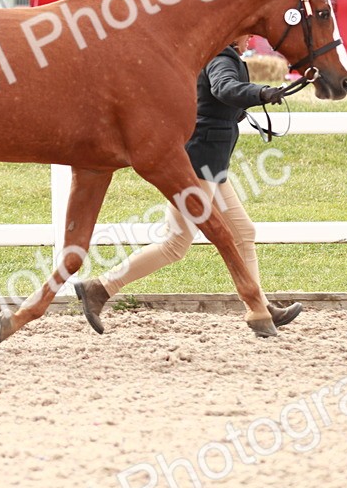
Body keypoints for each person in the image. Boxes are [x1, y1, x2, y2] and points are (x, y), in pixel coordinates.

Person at [74, 34, 302, 332]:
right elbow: (225, 88)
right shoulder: (221, 57)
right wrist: (261, 93)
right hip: (199, 163)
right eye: (247, 34)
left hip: (212, 163)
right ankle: (100, 288)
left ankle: (259, 308)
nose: (249, 40)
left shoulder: (221, 55)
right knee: (175, 243)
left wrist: (262, 94)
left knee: (243, 232)